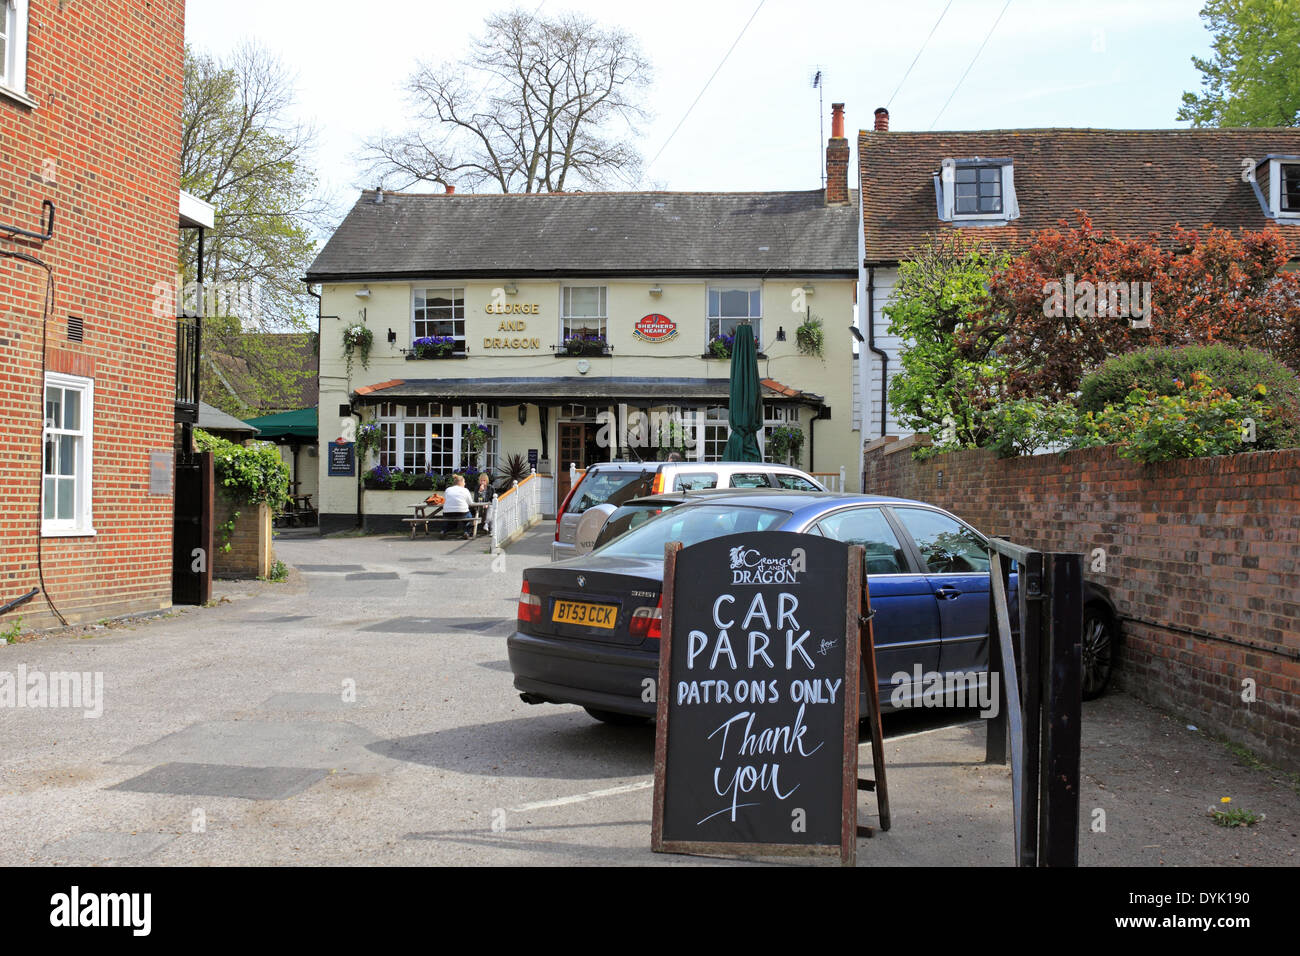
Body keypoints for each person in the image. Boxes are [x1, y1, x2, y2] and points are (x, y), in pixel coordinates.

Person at [441, 474, 474, 539]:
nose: (465, 483)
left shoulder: (448, 489)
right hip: (462, 513)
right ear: (461, 482)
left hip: (447, 513)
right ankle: (466, 532)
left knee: (452, 522)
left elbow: (444, 501)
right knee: (469, 518)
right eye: (464, 482)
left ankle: (443, 531)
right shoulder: (465, 490)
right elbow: (470, 503)